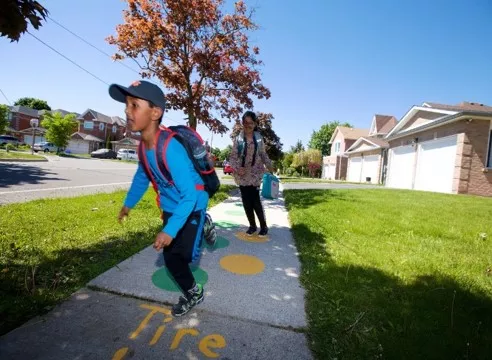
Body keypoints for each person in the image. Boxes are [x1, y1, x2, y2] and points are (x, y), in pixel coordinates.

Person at [112, 80, 209, 317]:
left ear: (155, 112)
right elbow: (141, 177)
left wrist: (169, 231)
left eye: (134, 105)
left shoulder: (171, 148)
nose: (127, 110)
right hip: (170, 207)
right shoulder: (143, 147)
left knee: (187, 254)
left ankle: (204, 222)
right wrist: (128, 204)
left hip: (192, 204)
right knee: (171, 258)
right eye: (126, 105)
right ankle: (194, 292)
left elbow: (188, 195)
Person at [230, 111, 274, 237]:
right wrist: (237, 168)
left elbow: (263, 154)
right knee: (246, 201)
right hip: (242, 174)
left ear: (255, 124)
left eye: (251, 123)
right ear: (242, 123)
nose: (248, 125)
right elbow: (233, 157)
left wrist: (269, 165)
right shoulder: (238, 138)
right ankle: (252, 226)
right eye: (245, 122)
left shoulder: (259, 138)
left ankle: (263, 226)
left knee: (255, 200)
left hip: (255, 173)